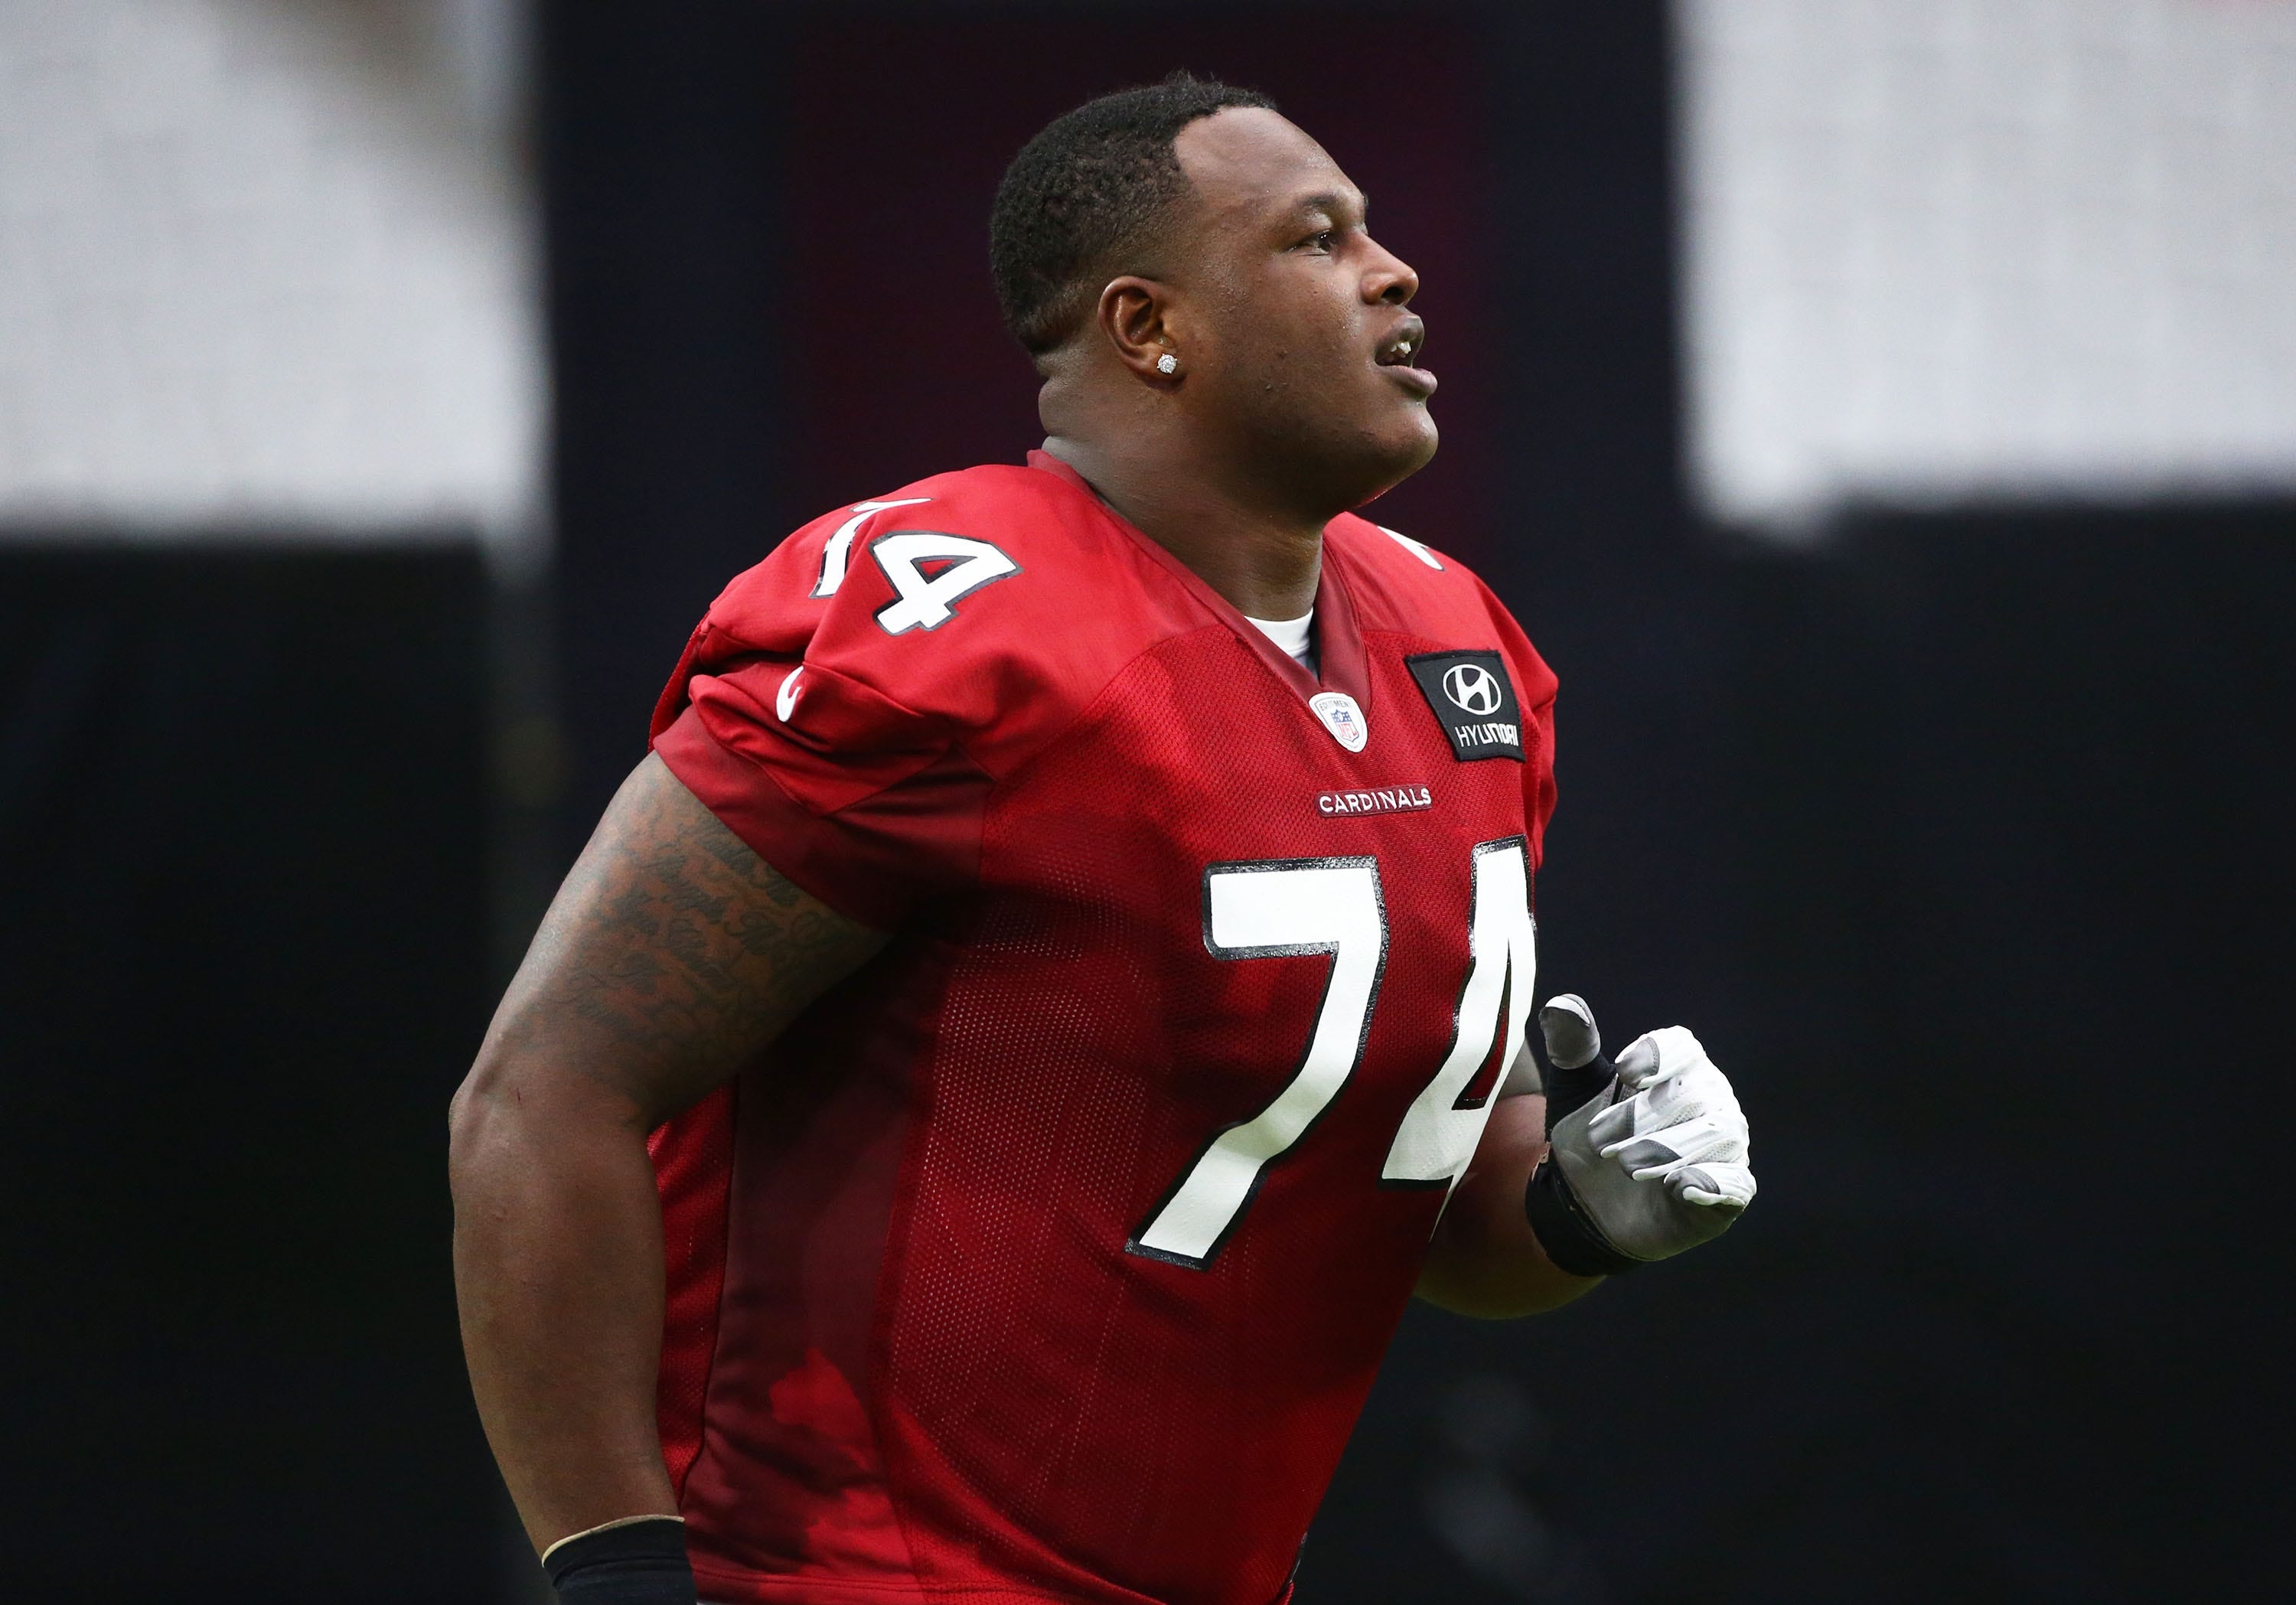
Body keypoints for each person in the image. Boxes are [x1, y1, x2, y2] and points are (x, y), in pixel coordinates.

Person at [450, 74, 1755, 1605]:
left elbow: (1427, 1207)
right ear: (1149, 328)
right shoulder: (947, 628)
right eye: (1316, 238)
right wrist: (618, 1576)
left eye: (1377, 232)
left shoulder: (1454, 644)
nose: (1392, 270)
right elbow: (544, 1094)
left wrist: (1577, 1207)